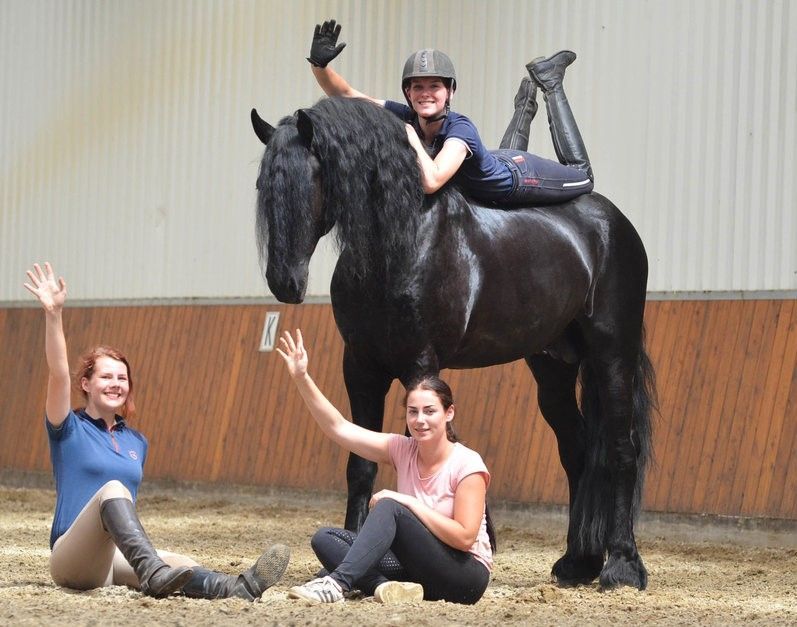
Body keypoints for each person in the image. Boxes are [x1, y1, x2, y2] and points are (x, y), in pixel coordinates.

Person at [24, 262, 290, 600]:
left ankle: (237, 587)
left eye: (122, 378)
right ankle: (152, 573)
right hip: (72, 559)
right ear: (86, 384)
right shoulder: (67, 428)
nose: (115, 384)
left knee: (181, 564)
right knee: (113, 489)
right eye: (106, 377)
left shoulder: (136, 442)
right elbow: (58, 372)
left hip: (112, 559)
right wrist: (53, 314)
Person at [276, 329, 494, 605]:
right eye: (412, 411)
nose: (420, 420)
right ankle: (384, 588)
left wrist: (404, 501)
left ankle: (337, 584)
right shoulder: (402, 448)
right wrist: (302, 378)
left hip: (464, 576)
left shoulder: (467, 464)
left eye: (430, 411)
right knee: (326, 539)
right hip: (419, 568)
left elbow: (464, 537)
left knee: (390, 506)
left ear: (448, 413)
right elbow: (339, 428)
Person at [306, 19, 593, 206]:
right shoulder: (406, 114)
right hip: (493, 163)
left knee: (584, 177)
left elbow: (431, 182)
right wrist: (319, 66)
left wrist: (409, 136)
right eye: (417, 87)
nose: (426, 93)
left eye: (435, 86)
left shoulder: (460, 130)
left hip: (519, 177)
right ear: (408, 93)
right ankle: (524, 102)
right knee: (498, 157)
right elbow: (346, 95)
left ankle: (551, 82)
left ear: (450, 93)